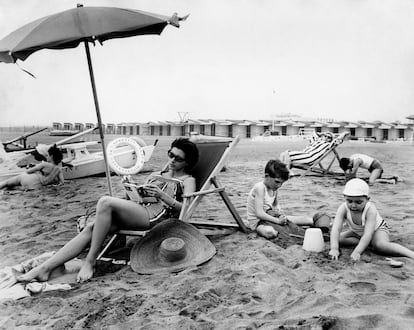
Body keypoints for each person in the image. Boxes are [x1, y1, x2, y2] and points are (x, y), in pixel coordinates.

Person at [16, 138, 199, 283]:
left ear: (187, 162)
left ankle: (90, 261)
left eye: (178, 158)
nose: (172, 160)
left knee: (105, 201)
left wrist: (162, 196)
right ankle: (45, 269)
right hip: (141, 210)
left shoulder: (187, 180)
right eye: (171, 155)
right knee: (92, 228)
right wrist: (132, 191)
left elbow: (186, 209)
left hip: (157, 218)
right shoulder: (157, 175)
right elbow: (143, 199)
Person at [329, 178, 414, 261]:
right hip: (357, 232)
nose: (353, 205)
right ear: (344, 197)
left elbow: (368, 234)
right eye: (349, 201)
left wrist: (357, 252)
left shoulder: (370, 210)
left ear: (367, 199)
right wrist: (334, 249)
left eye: (358, 202)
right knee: (337, 239)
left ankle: (410, 254)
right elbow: (336, 229)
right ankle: (364, 243)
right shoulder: (343, 208)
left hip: (376, 230)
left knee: (380, 245)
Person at [246, 159, 313, 239]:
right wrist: (277, 221)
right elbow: (259, 213)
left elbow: (275, 205)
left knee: (308, 220)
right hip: (259, 222)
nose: (279, 186)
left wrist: (280, 214)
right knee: (270, 232)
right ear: (267, 176)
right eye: (277, 182)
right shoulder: (260, 188)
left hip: (271, 217)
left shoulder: (273, 188)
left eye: (282, 183)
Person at [0, 144, 64, 190]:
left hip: (28, 179)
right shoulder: (59, 169)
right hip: (35, 186)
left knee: (6, 183)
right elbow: (61, 182)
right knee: (16, 188)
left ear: (51, 156)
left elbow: (29, 171)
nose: (46, 157)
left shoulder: (44, 164)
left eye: (47, 155)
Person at [279, 132, 348, 173]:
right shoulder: (316, 141)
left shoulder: (328, 145)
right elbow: (313, 134)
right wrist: (322, 134)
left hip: (309, 157)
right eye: (325, 136)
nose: (326, 138)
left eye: (329, 137)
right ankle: (281, 171)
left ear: (331, 140)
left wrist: (344, 133)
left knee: (286, 154)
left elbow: (338, 140)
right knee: (283, 154)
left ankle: (286, 172)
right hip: (303, 154)